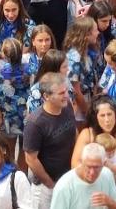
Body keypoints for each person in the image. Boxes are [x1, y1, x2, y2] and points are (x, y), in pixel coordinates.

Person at [24, 73, 79, 209]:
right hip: (45, 188)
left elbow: (74, 132)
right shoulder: (35, 123)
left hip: (68, 180)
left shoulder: (67, 107)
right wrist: (50, 184)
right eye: (61, 93)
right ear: (46, 96)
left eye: (66, 91)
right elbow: (31, 159)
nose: (66, 95)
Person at [49, 143, 116, 209]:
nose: (92, 172)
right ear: (81, 161)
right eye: (88, 166)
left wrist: (110, 203)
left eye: (96, 167)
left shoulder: (107, 174)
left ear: (104, 164)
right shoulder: (64, 186)